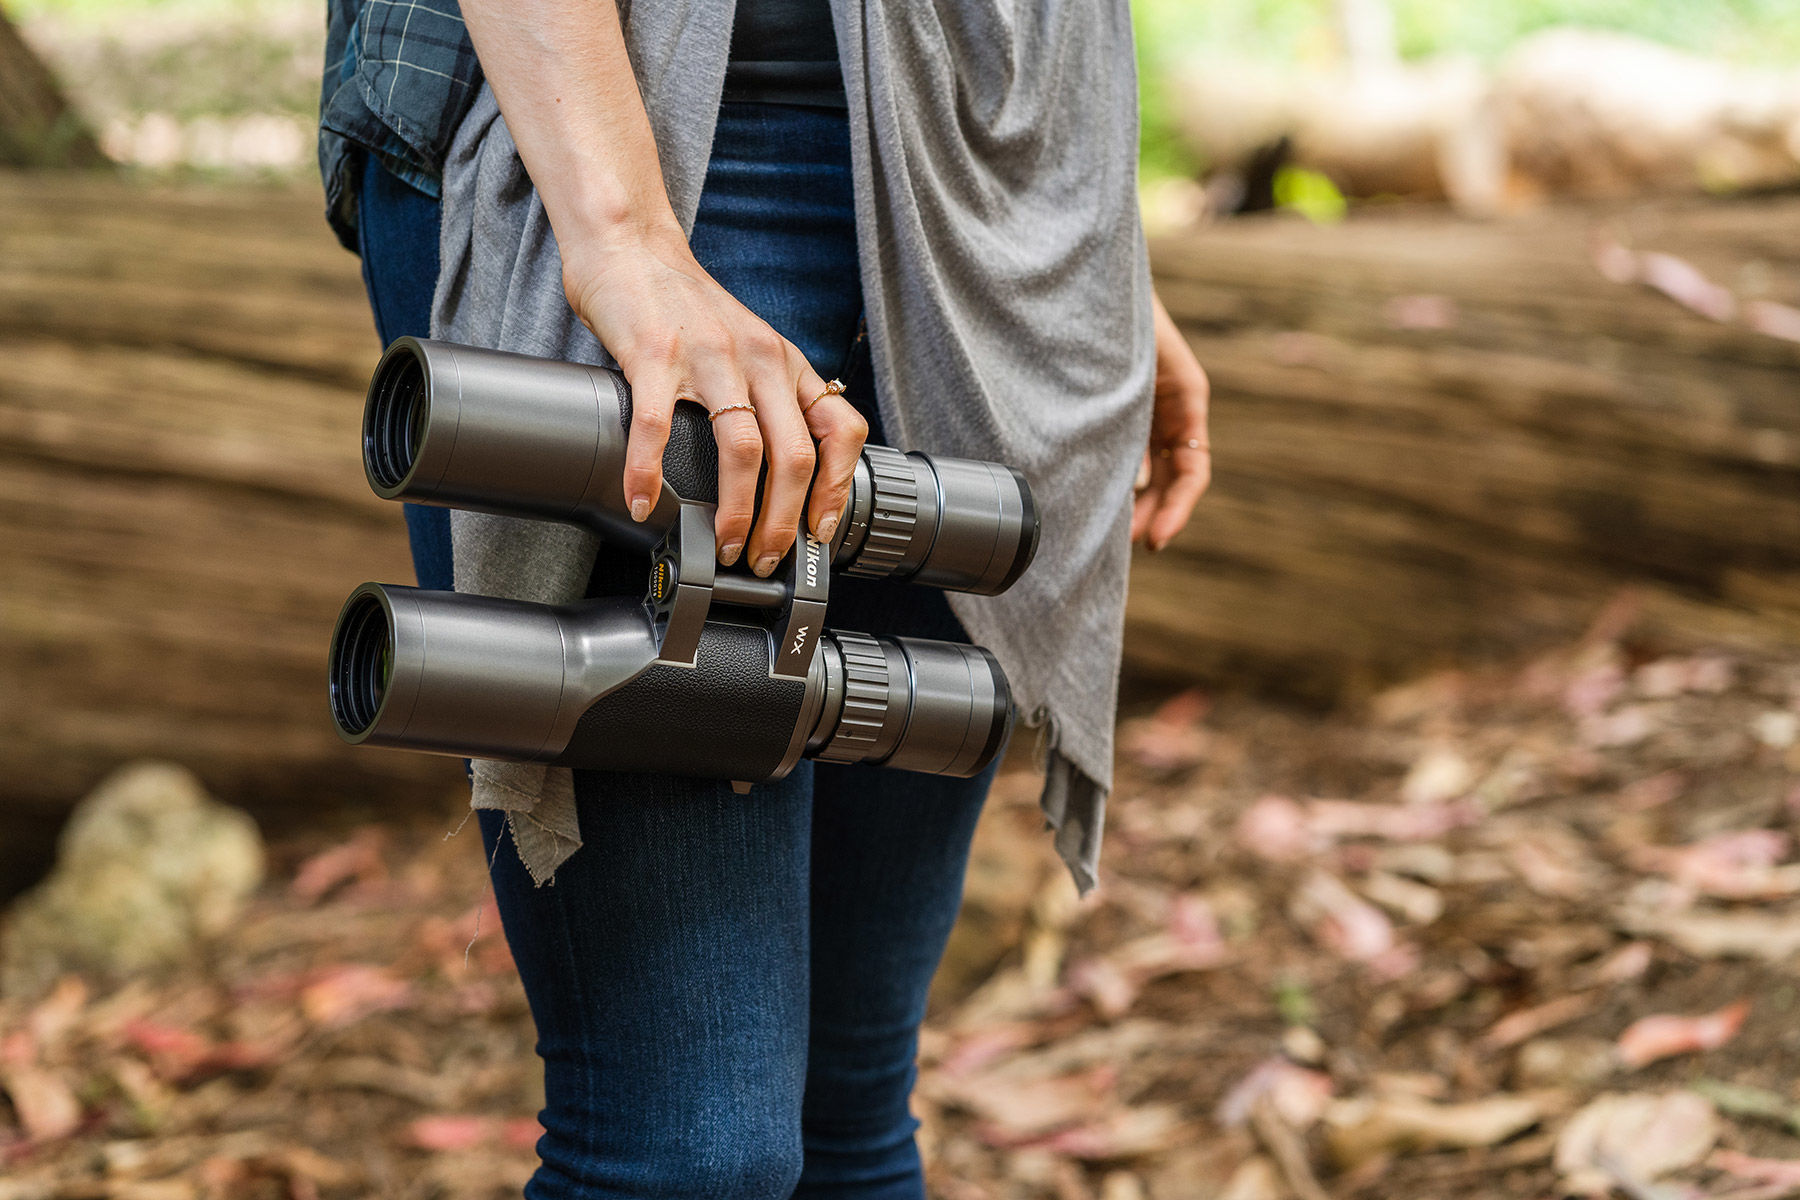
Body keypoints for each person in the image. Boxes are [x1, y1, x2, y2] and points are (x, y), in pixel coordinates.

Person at [319, 2, 1211, 1196]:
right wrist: (624, 236)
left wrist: (1089, 236)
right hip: (637, 130)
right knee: (687, 1149)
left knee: (852, 1115)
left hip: (990, 190)